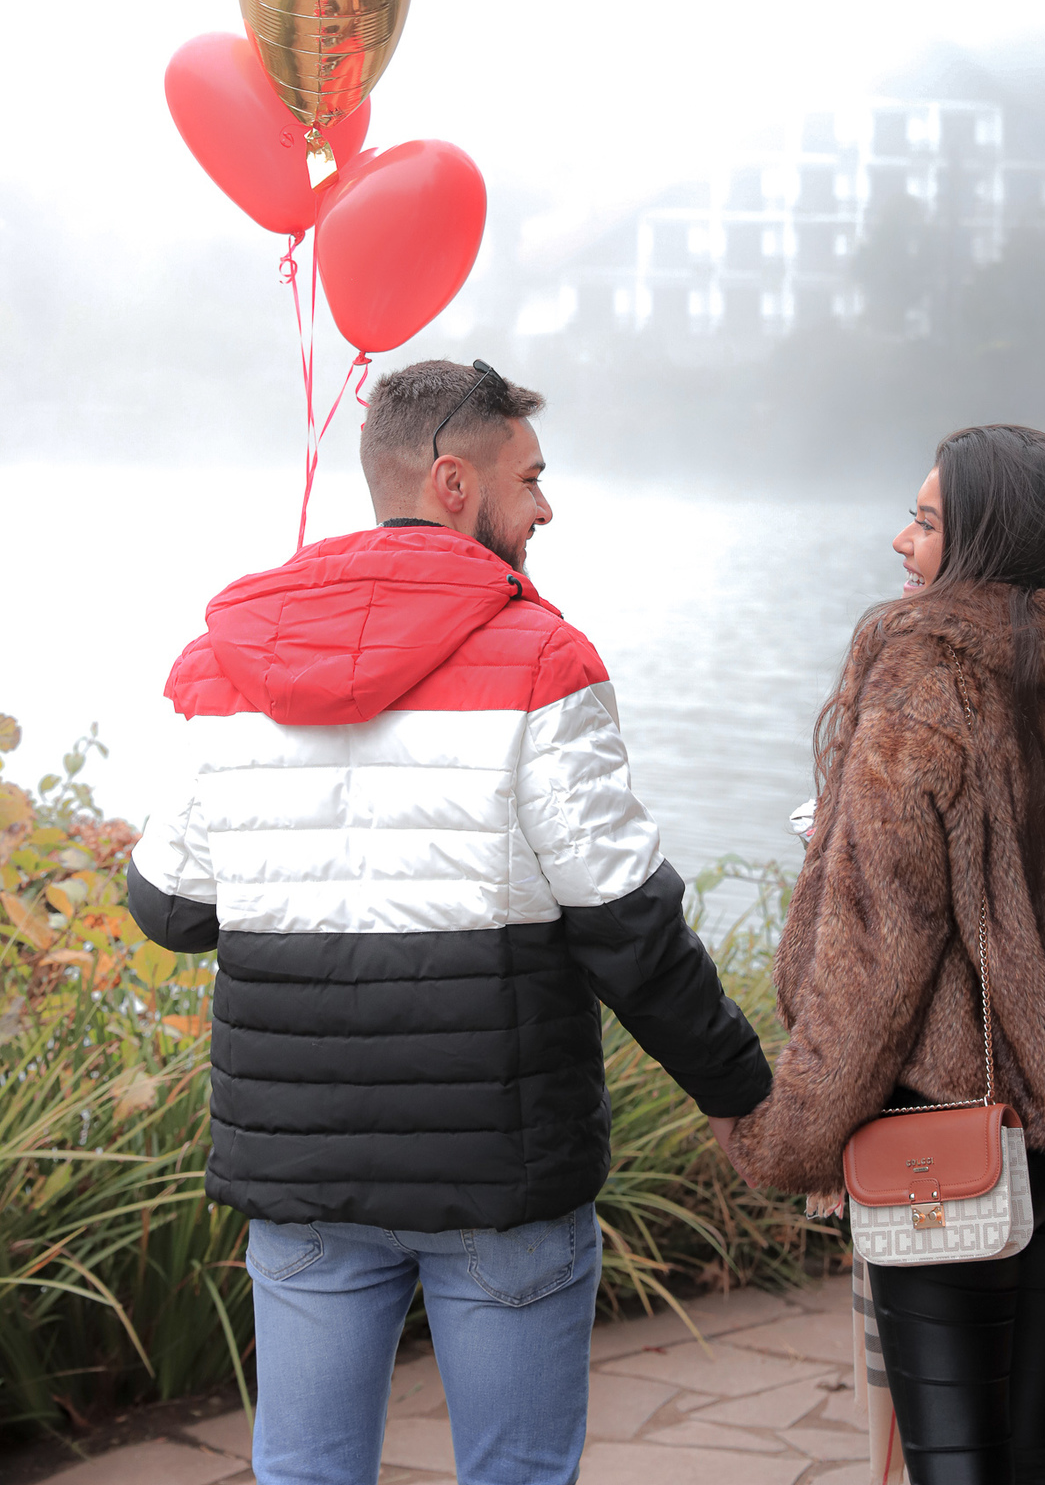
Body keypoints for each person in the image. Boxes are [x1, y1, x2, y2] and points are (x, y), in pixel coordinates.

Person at [126, 359, 771, 1485]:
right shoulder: (542, 660)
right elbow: (628, 927)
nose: (547, 506)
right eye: (531, 478)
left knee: (304, 1474)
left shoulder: (230, 663)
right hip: (501, 1174)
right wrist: (739, 1092)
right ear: (453, 483)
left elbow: (171, 909)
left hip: (304, 1169)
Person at [728, 423, 1045, 1485]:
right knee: (1039, 1446)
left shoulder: (927, 675)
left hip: (952, 1149)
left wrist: (785, 1132)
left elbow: (879, 950)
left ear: (990, 532)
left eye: (928, 520)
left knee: (955, 1462)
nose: (902, 541)